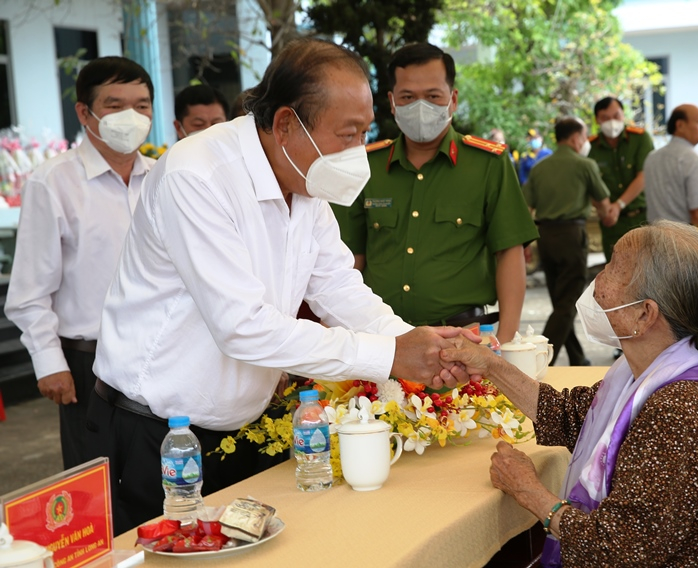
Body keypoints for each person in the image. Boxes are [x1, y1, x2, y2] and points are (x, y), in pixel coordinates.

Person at [86, 38, 474, 536]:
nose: (358, 152)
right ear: (288, 124)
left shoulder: (302, 177)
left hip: (238, 432)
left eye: (364, 133)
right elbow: (243, 329)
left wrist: (419, 345)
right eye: (348, 134)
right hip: (155, 437)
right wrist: (389, 356)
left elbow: (338, 287)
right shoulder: (198, 175)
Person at [441, 220, 698, 567]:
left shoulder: (674, 411)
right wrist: (488, 364)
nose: (597, 281)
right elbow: (569, 415)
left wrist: (529, 492)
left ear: (645, 313)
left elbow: (617, 550)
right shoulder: (648, 374)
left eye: (612, 268)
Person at [4, 57, 155, 471]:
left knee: (168, 481)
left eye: (142, 105)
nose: (131, 116)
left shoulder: (165, 179)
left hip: (163, 357)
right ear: (84, 112)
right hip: (89, 365)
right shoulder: (53, 182)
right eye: (115, 104)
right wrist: (50, 363)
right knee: (102, 487)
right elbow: (30, 292)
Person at [332, 43, 538, 344]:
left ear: (452, 100)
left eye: (432, 96)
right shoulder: (365, 167)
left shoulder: (488, 164)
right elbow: (349, 260)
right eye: (407, 97)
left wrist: (506, 341)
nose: (420, 106)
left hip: (465, 338)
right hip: (384, 341)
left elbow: (509, 252)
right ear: (391, 102)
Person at [522, 117, 611, 366]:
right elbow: (603, 204)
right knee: (567, 304)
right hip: (572, 236)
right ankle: (539, 361)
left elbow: (524, 208)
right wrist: (609, 215)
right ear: (575, 138)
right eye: (584, 137)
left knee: (560, 300)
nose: (585, 142)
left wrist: (525, 244)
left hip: (545, 238)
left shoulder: (539, 168)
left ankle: (577, 357)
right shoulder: (585, 164)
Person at [588, 96, 655, 262]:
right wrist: (605, 209)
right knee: (614, 273)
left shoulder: (640, 138)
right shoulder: (590, 146)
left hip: (640, 217)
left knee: (646, 272)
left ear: (623, 115)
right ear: (597, 120)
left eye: (616, 116)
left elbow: (644, 175)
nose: (612, 122)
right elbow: (587, 183)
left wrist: (618, 205)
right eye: (605, 118)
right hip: (610, 222)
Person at [644, 104, 698, 228]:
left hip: (655, 238)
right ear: (680, 125)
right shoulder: (692, 161)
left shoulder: (651, 158)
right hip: (685, 241)